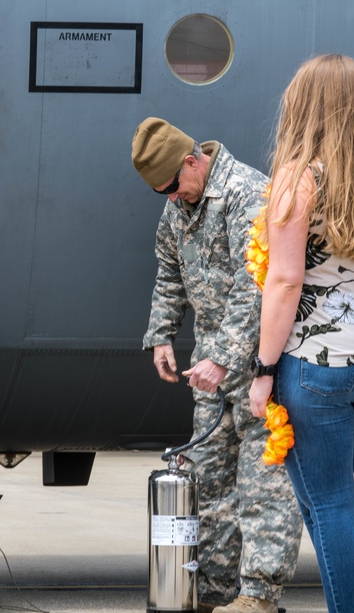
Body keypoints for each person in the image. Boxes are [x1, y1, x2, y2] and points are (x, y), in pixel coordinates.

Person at [248, 55, 354, 613]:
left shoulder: (297, 179)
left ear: (305, 105)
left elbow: (286, 280)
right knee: (324, 500)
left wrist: (264, 369)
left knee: (332, 503)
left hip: (315, 367)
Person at [132, 117, 301, 613]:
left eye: (171, 185)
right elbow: (169, 271)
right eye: (159, 191)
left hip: (258, 369)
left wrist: (223, 360)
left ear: (192, 161)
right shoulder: (180, 207)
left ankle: (258, 595)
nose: (168, 196)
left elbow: (260, 286)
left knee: (262, 487)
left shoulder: (249, 194)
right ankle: (213, 592)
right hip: (211, 372)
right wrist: (161, 334)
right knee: (207, 485)